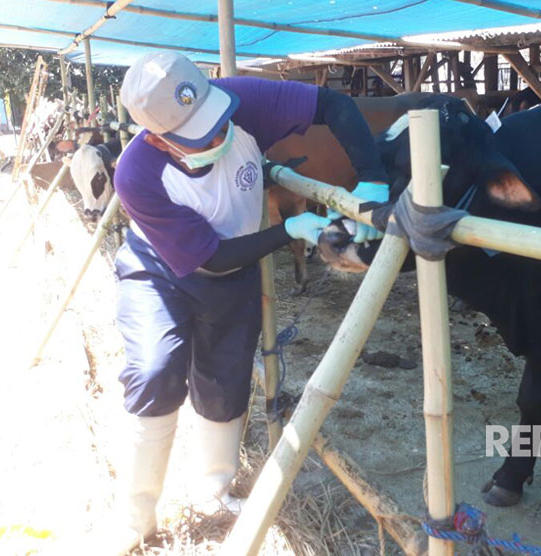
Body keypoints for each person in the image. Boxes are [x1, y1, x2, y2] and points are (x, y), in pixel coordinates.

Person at [107, 51, 389, 554]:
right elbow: (209, 257)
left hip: (231, 269)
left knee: (225, 378)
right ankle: (136, 517)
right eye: (200, 136)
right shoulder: (137, 175)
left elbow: (335, 104)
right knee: (155, 371)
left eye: (218, 123)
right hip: (163, 270)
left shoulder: (242, 99)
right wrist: (291, 230)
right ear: (155, 137)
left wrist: (372, 176)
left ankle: (214, 491)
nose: (218, 137)